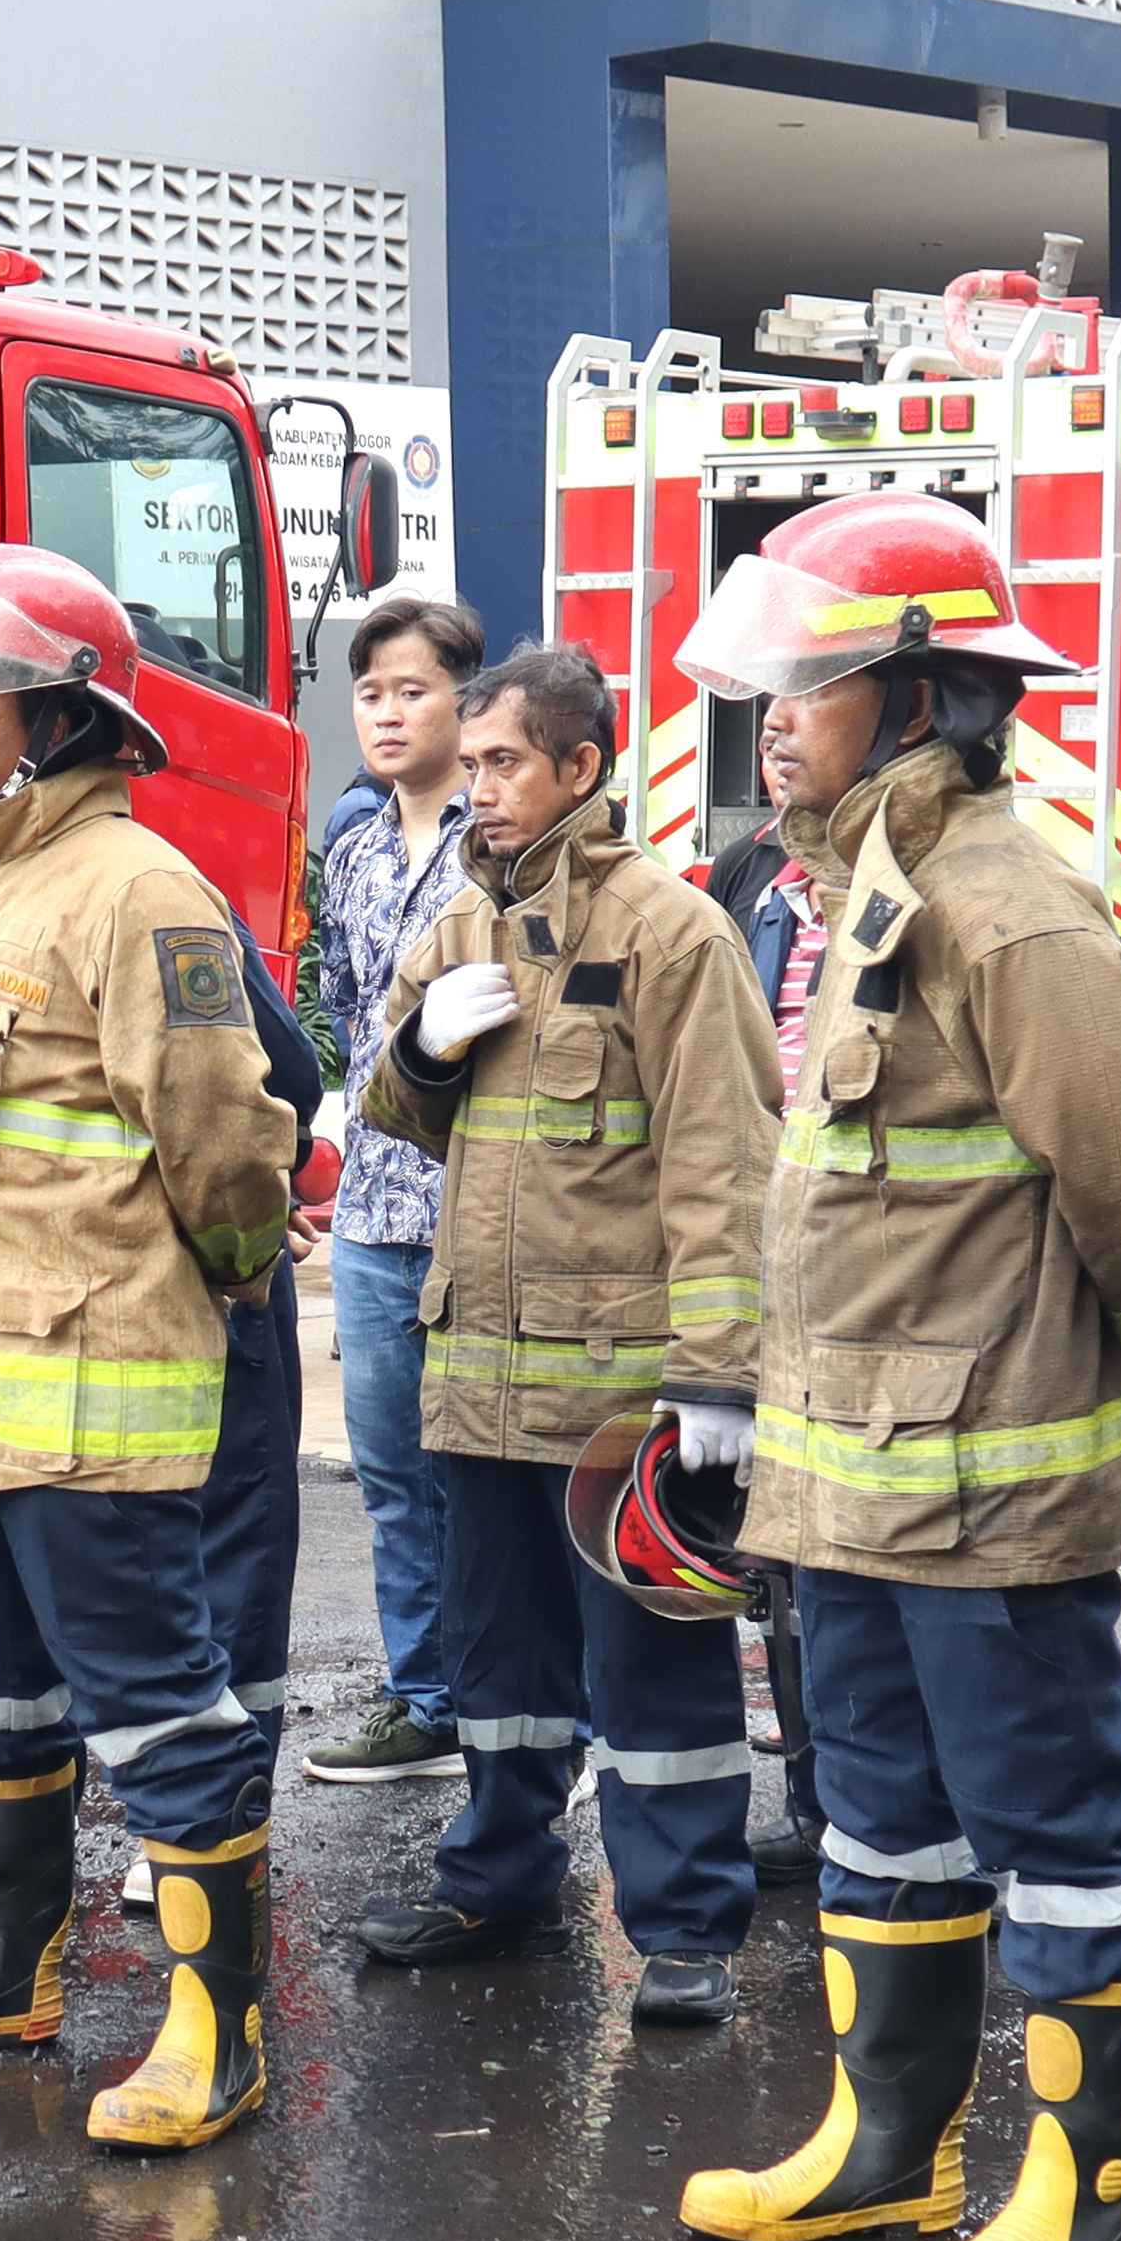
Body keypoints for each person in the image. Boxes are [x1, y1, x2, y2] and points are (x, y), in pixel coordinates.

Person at [670, 497, 1121, 2241]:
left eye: (804, 689)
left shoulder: (1005, 907)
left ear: (912, 705)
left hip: (989, 1500)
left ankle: (1078, 2199)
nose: (768, 721)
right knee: (879, 1826)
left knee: (1058, 1834)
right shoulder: (862, 892)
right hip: (851, 1497)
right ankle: (883, 2148)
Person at [0, 544, 302, 2148]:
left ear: (62, 725)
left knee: (161, 1715)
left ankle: (210, 2036)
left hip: (90, 1403)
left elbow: (225, 1139)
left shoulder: (138, 889)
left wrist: (229, 1276)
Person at [341, 642, 779, 2018]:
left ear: (582, 769)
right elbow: (393, 1117)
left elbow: (724, 1166)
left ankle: (687, 1929)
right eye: (469, 765)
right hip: (479, 1383)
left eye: (505, 763)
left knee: (655, 1677)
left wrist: (717, 1379)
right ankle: (497, 1878)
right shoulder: (460, 925)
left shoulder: (671, 934)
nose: (479, 789)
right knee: (502, 1669)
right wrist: (419, 1057)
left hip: (620, 1403)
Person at [295, 593, 489, 1787]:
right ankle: (422, 1696)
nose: (385, 711)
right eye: (370, 692)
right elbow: (348, 1011)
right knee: (390, 1470)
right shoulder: (355, 848)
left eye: (411, 689)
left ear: (466, 700)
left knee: (488, 1476)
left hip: (479, 1208)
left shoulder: (503, 836)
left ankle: (524, 1704)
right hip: (372, 1209)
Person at [703, 815, 829, 1872]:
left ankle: (925, 1817)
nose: (775, 730)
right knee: (776, 1545)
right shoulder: (752, 870)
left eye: (804, 706)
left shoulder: (945, 896)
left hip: (878, 1277)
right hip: (763, 1244)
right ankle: (817, 1801)